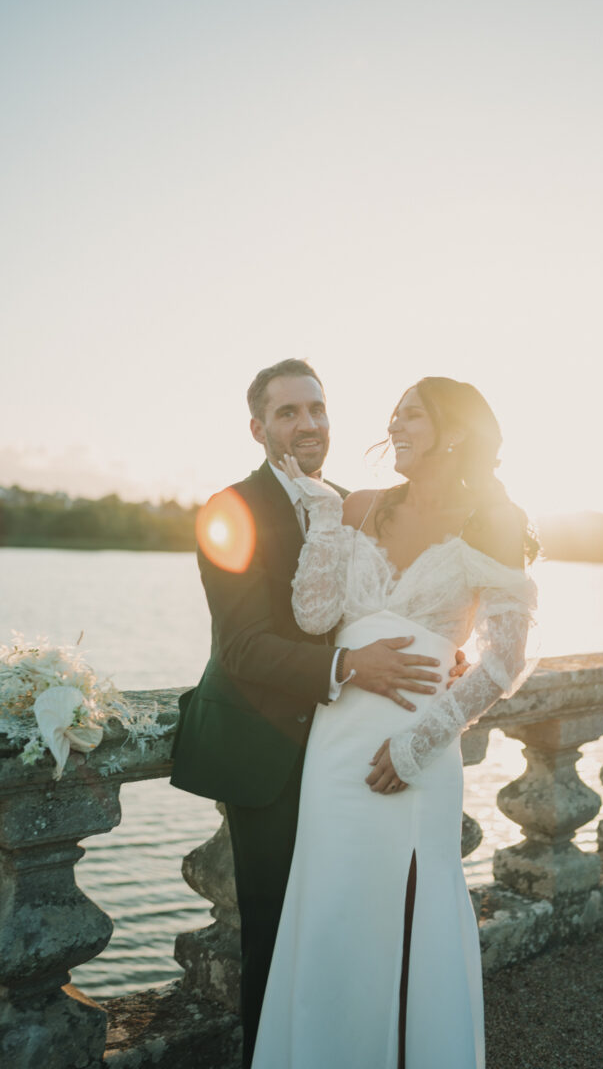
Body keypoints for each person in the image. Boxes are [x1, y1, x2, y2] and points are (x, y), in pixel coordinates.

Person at [170, 359, 462, 1068]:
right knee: (276, 937)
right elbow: (241, 645)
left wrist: (440, 645)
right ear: (258, 427)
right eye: (289, 413)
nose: (308, 425)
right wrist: (348, 665)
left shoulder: (356, 505)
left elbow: (376, 601)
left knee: (342, 931)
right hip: (264, 748)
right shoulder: (228, 509)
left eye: (318, 410)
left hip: (344, 748)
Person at [251, 376, 538, 1069]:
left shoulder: (492, 521)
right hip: (337, 747)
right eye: (395, 415)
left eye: (412, 415)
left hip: (416, 752)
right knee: (330, 916)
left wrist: (417, 744)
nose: (395, 426)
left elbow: (502, 662)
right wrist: (322, 518)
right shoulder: (357, 506)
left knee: (412, 920)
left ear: (456, 432)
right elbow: (316, 618)